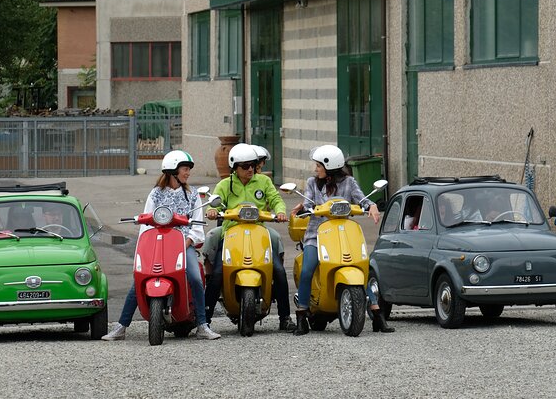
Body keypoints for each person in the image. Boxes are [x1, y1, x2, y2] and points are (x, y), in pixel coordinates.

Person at [102, 150, 221, 341]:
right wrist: (144, 246)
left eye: (188, 169)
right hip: (158, 245)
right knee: (140, 280)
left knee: (195, 277)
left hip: (183, 245)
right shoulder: (155, 194)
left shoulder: (192, 195)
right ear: (172, 170)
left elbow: (197, 224)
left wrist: (187, 242)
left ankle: (202, 325)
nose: (188, 173)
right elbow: (146, 222)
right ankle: (122, 326)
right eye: (184, 169)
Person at [290, 144, 393, 335]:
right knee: (307, 270)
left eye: (319, 166)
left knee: (362, 268)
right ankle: (302, 316)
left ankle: (377, 315)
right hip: (317, 234)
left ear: (329, 167)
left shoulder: (349, 182)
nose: (316, 169)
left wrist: (371, 205)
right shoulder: (313, 183)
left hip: (343, 233)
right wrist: (303, 208)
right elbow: (308, 202)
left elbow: (361, 199)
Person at [204, 143, 297, 332]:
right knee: (217, 273)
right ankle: (204, 320)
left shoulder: (263, 182)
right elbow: (213, 203)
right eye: (245, 166)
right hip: (231, 232)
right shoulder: (225, 184)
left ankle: (285, 317)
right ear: (234, 168)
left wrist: (280, 212)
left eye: (253, 165)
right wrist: (213, 210)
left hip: (259, 230)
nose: (250, 170)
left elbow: (276, 199)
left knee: (278, 270)